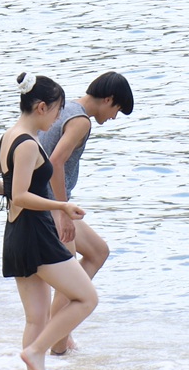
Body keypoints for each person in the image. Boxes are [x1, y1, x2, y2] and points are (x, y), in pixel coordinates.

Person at [0, 73, 95, 370]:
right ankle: (38, 351)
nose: (58, 117)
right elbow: (24, 195)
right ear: (41, 106)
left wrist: (14, 195)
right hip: (36, 235)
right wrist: (61, 205)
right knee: (87, 298)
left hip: (16, 235)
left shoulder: (8, 137)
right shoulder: (27, 143)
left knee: (36, 318)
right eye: (56, 110)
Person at [37, 71, 134, 353]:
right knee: (70, 278)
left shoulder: (64, 106)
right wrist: (63, 211)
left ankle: (59, 336)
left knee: (98, 252)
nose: (114, 117)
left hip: (41, 200)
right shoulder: (80, 121)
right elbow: (55, 161)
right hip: (51, 205)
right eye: (116, 110)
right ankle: (57, 344)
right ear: (108, 99)